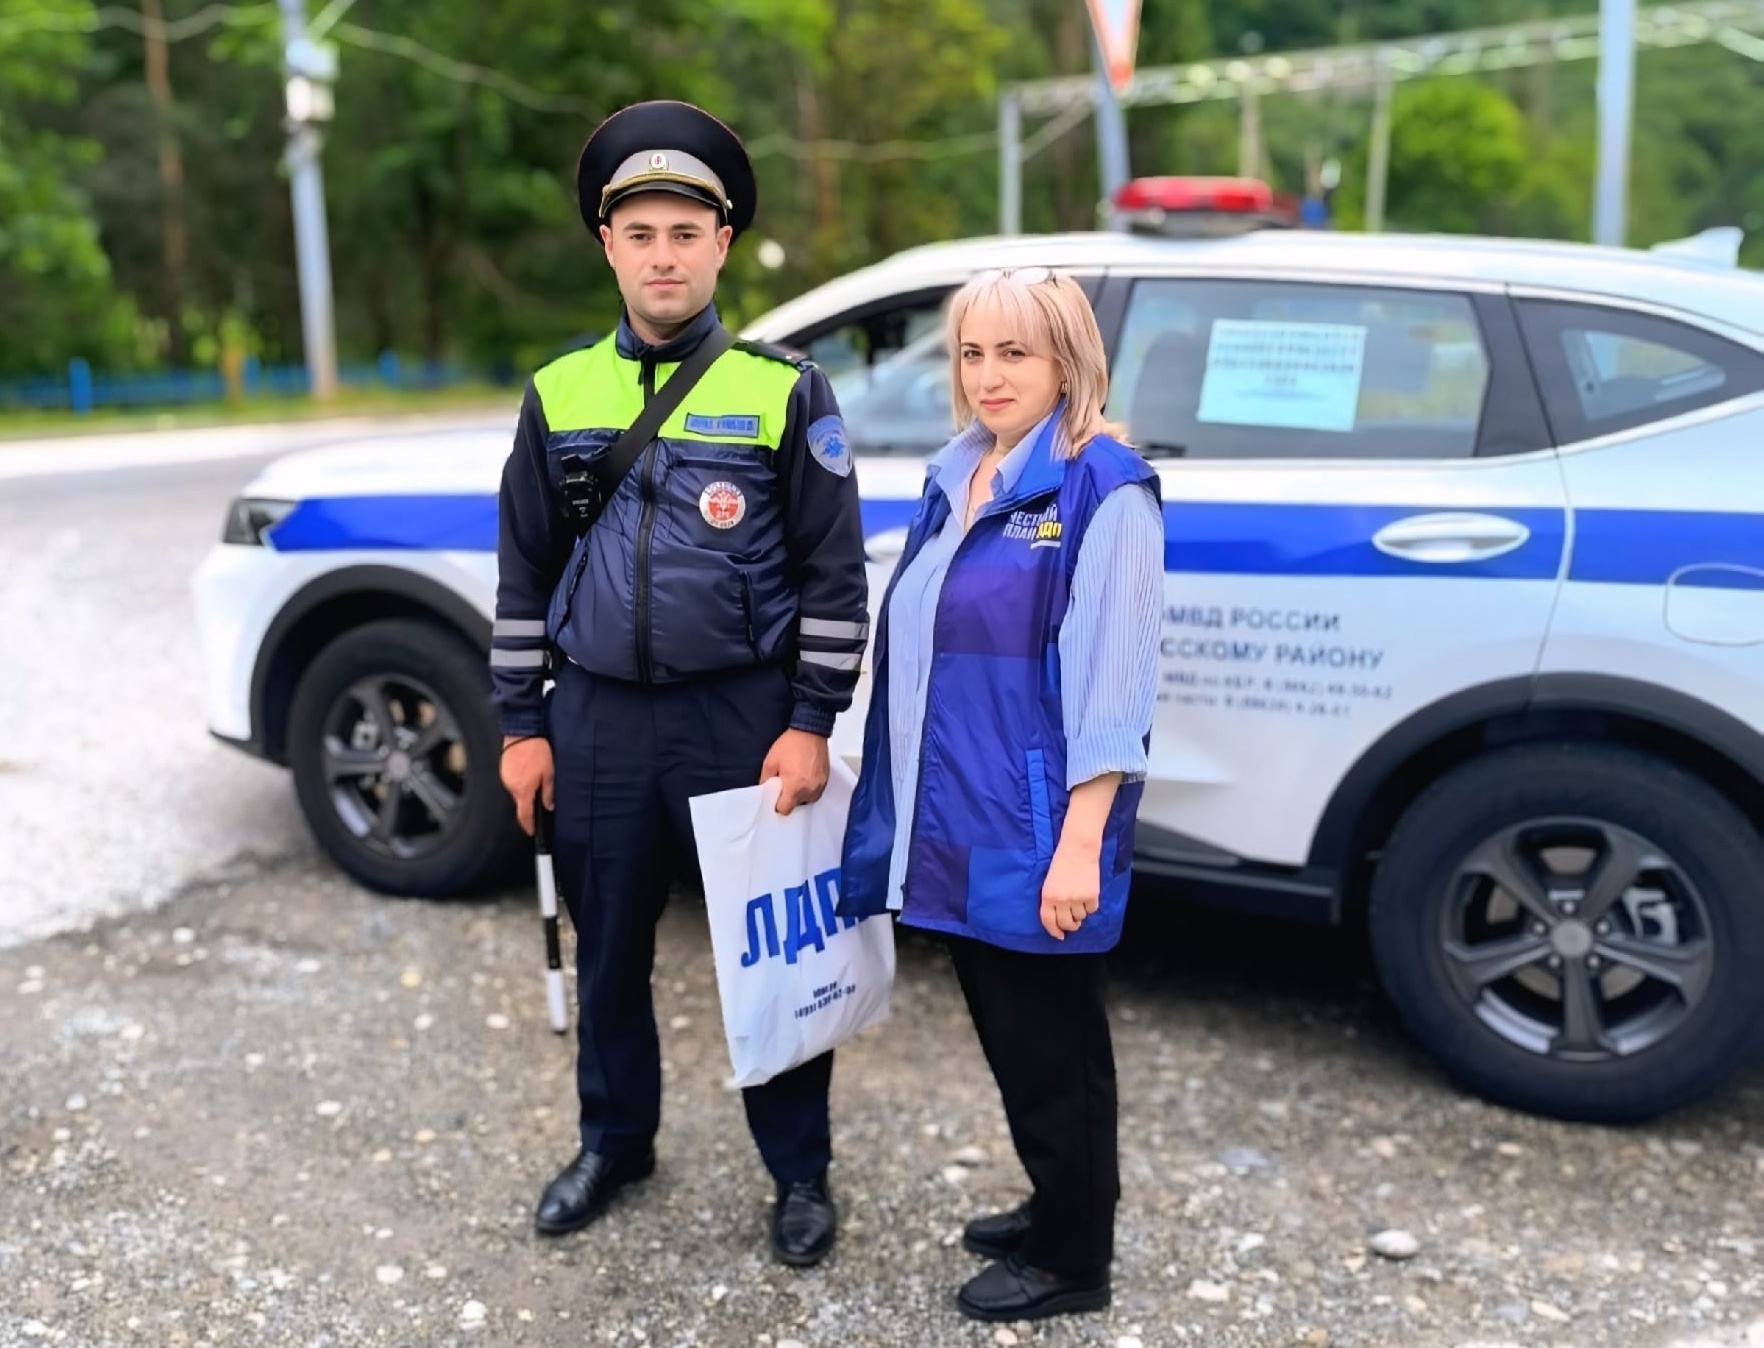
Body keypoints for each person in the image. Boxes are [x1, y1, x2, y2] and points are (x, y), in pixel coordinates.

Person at [491, 100, 870, 1267]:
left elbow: (834, 574)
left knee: (773, 949)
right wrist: (519, 726)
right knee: (608, 950)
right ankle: (615, 1142)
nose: (664, 255)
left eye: (686, 233)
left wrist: (810, 722)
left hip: (741, 718)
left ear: (722, 245)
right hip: (596, 719)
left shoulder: (784, 390)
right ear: (609, 245)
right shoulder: (558, 393)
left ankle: (799, 1173)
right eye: (641, 233)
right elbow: (522, 570)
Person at [838, 269, 1163, 1320]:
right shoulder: (961, 472)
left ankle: (1074, 1261)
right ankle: (1056, 1203)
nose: (989, 375)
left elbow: (1115, 689)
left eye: (1015, 353)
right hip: (958, 818)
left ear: (1068, 360)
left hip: (1035, 827)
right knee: (1017, 1040)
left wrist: (1080, 844)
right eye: (973, 353)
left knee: (1058, 1051)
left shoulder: (1103, 488)